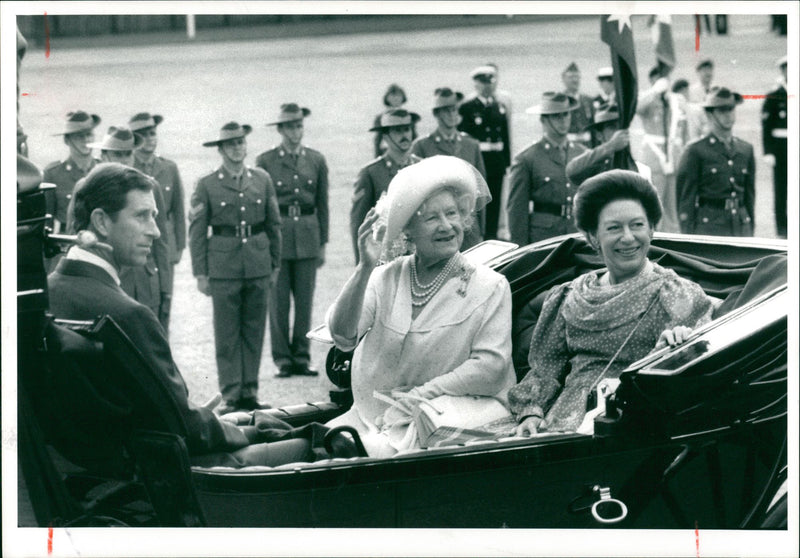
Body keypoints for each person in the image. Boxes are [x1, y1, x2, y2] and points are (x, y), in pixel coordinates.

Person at [48, 163, 313, 467]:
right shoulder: (128, 314)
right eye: (142, 216)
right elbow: (185, 427)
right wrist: (251, 431)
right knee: (308, 443)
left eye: (155, 217)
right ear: (101, 222)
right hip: (158, 475)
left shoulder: (46, 294)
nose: (156, 231)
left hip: (87, 469)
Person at [327, 156, 516, 456]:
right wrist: (364, 267)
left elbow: (490, 369)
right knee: (319, 445)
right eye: (431, 218)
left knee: (348, 455)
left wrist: (420, 396)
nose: (447, 226)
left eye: (452, 213)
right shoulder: (385, 277)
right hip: (371, 418)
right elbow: (342, 335)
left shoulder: (490, 285)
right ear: (408, 230)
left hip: (447, 418)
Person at [509, 170, 715, 435]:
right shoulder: (570, 294)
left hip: (631, 424)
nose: (628, 237)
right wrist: (530, 415)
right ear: (593, 236)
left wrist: (672, 348)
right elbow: (545, 371)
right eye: (614, 227)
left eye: (637, 225)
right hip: (560, 426)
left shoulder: (674, 293)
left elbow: (682, 382)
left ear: (651, 229)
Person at [189, 122, 282, 414]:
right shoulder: (207, 184)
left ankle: (250, 392)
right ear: (220, 149)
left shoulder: (261, 179)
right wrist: (201, 273)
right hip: (223, 267)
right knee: (227, 333)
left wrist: (274, 263)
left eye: (241, 143)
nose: (237, 148)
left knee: (254, 330)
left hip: (257, 263)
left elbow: (273, 224)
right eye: (231, 144)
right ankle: (231, 394)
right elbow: (196, 231)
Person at [256, 104, 329, 378]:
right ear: (280, 130)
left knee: (305, 302)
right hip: (279, 236)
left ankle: (301, 356)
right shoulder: (266, 161)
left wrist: (322, 241)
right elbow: (262, 205)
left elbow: (322, 203)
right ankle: (282, 360)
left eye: (299, 125)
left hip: (308, 235)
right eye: (289, 127)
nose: (295, 131)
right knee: (278, 303)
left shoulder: (316, 159)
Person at [86, 125, 174, 331]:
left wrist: (165, 287)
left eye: (128, 154)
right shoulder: (89, 188)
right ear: (104, 156)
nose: (124, 161)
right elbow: (80, 238)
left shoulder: (148, 188)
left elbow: (160, 243)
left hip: (145, 282)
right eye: (118, 154)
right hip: (111, 283)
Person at [507, 92, 588, 245]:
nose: (563, 120)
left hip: (578, 232)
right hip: (545, 237)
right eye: (556, 116)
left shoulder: (582, 153)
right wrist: (520, 251)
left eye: (566, 114)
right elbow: (517, 211)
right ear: (543, 120)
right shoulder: (527, 158)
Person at [411, 87, 486, 250]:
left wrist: (481, 228)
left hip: (469, 225)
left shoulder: (470, 145)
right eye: (446, 111)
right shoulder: (423, 146)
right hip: (439, 226)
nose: (452, 115)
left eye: (454, 110)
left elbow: (480, 191)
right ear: (437, 114)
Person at [676, 87, 755, 237]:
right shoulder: (696, 151)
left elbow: (749, 197)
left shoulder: (745, 150)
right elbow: (685, 200)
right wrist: (688, 237)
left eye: (731, 109)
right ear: (709, 114)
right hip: (710, 228)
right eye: (722, 110)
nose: (728, 115)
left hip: (741, 226)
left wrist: (750, 229)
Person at [129, 112, 186, 314]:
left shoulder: (168, 167)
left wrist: (179, 245)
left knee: (164, 301)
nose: (150, 139)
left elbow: (178, 209)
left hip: (163, 243)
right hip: (133, 243)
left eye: (153, 133)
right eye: (143, 135)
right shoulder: (127, 167)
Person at [351, 109, 422, 262]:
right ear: (385, 137)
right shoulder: (370, 173)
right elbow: (359, 224)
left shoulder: (422, 167)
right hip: (387, 258)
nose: (404, 135)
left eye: (407, 129)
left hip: (421, 254)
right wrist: (363, 265)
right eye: (397, 131)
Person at [458, 64, 511, 240]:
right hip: (478, 159)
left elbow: (505, 136)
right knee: (477, 200)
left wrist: (506, 161)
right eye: (483, 82)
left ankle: (491, 235)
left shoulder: (500, 106)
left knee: (494, 201)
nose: (488, 86)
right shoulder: (467, 108)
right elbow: (464, 138)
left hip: (496, 160)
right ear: (476, 85)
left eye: (490, 82)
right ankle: (475, 235)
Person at [636, 66, 680, 233]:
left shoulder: (673, 100)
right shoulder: (648, 98)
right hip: (655, 157)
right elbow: (637, 108)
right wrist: (654, 91)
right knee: (655, 205)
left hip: (672, 157)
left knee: (672, 209)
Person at [43, 111, 102, 234]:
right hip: (67, 240)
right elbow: (47, 218)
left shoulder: (103, 169)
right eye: (79, 136)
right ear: (67, 140)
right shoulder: (53, 174)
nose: (86, 140)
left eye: (89, 134)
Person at [566, 105, 639, 186]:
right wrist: (611, 145)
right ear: (599, 135)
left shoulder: (632, 160)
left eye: (621, 127)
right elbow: (572, 171)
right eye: (612, 127)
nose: (618, 132)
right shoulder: (595, 160)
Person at [761, 56, 787, 238]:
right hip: (780, 147)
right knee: (781, 187)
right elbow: (766, 126)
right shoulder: (774, 95)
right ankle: (782, 226)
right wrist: (768, 151)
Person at [373, 83, 417, 157]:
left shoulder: (409, 116)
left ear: (403, 98)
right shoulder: (381, 118)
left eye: (398, 95)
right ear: (387, 98)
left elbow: (414, 138)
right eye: (392, 96)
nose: (396, 98)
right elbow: (378, 141)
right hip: (387, 153)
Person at [560, 62, 595, 147]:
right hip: (567, 145)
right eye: (571, 77)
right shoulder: (559, 101)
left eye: (577, 77)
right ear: (563, 79)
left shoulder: (588, 100)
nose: (574, 80)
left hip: (587, 145)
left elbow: (594, 126)